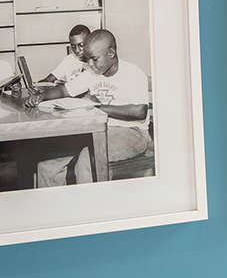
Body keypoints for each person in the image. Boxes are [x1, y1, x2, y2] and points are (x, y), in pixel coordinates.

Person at [27, 29, 152, 186]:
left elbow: (139, 112)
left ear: (111, 53)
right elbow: (64, 90)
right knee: (47, 166)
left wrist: (97, 107)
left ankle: (90, 201)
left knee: (87, 160)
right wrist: (41, 96)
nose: (90, 64)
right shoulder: (92, 72)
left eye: (94, 59)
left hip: (131, 132)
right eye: (88, 59)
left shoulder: (132, 73)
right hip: (95, 130)